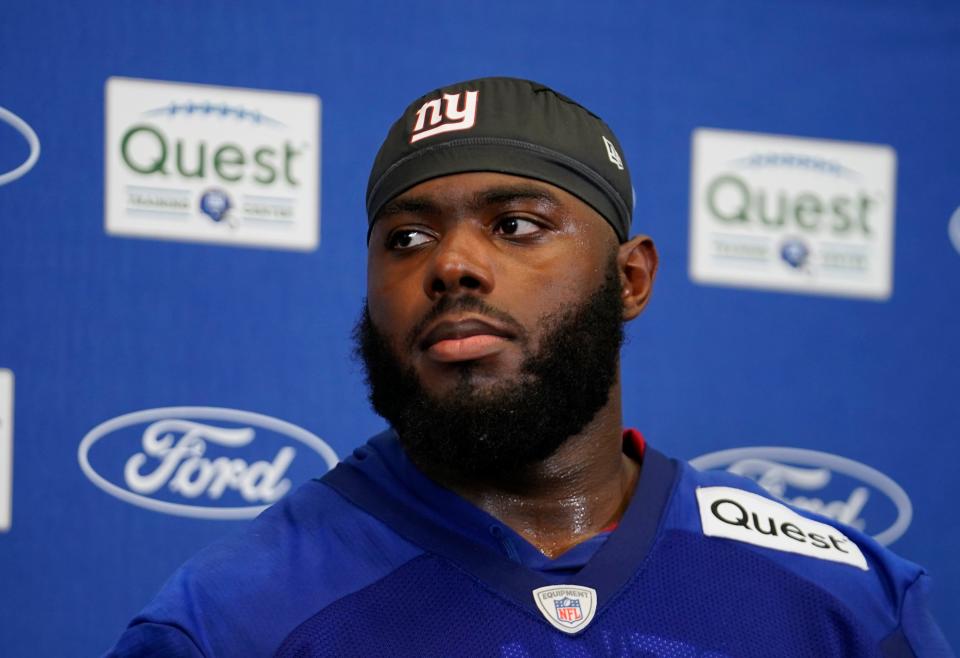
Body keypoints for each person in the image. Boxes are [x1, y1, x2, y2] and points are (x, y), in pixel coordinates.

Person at [107, 77, 954, 657]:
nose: (451, 266)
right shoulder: (233, 619)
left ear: (630, 279)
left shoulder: (845, 598)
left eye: (515, 224)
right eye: (406, 238)